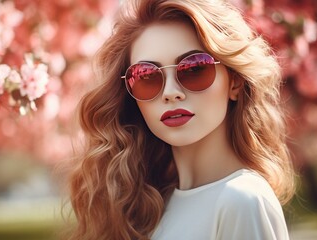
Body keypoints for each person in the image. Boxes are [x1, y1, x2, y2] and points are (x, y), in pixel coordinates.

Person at [67, 0, 295, 239]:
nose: (170, 92)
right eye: (146, 77)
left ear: (234, 82)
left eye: (194, 68)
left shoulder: (243, 200)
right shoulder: (147, 208)